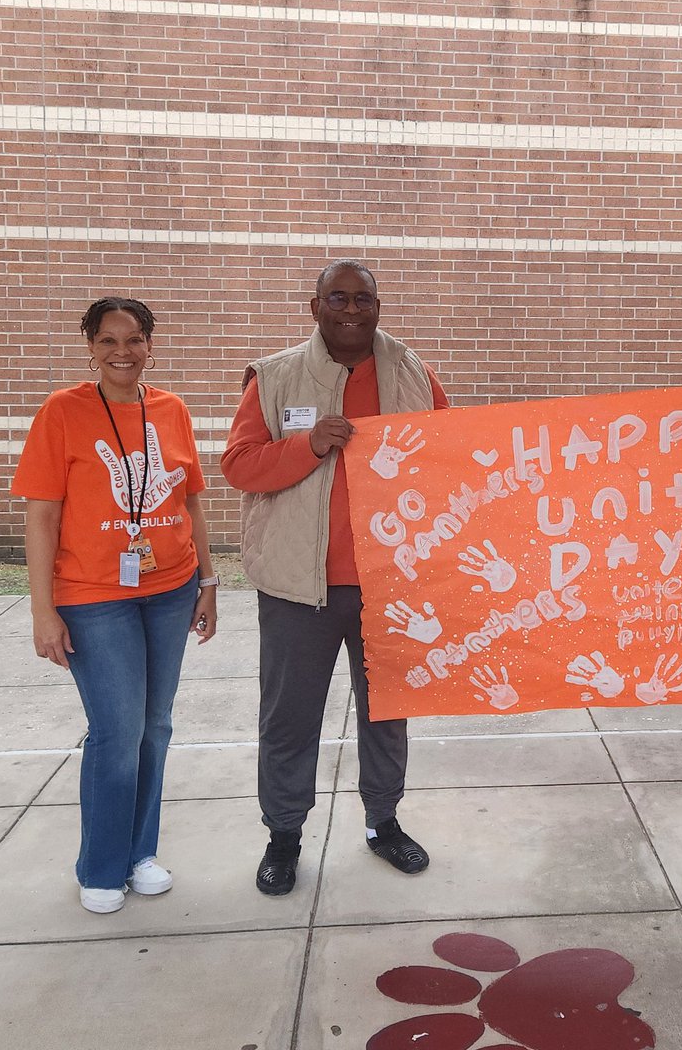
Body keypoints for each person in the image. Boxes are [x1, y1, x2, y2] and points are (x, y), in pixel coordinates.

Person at [222, 259, 449, 895]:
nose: (352, 310)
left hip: (389, 585)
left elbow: (448, 464)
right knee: (290, 719)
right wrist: (308, 445)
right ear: (314, 305)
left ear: (379, 305)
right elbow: (239, 466)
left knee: (387, 715)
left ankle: (384, 824)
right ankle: (284, 836)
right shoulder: (274, 377)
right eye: (338, 298)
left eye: (363, 299)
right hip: (300, 588)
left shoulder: (412, 374)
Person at [12, 297, 218, 914]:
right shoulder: (63, 411)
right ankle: (101, 865)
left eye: (133, 340)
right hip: (93, 598)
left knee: (155, 726)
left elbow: (193, 503)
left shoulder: (171, 410)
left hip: (170, 589)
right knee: (117, 730)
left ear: (151, 344)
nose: (122, 352)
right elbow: (42, 517)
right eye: (108, 341)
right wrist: (41, 610)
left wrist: (208, 582)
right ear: (91, 346)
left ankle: (139, 853)